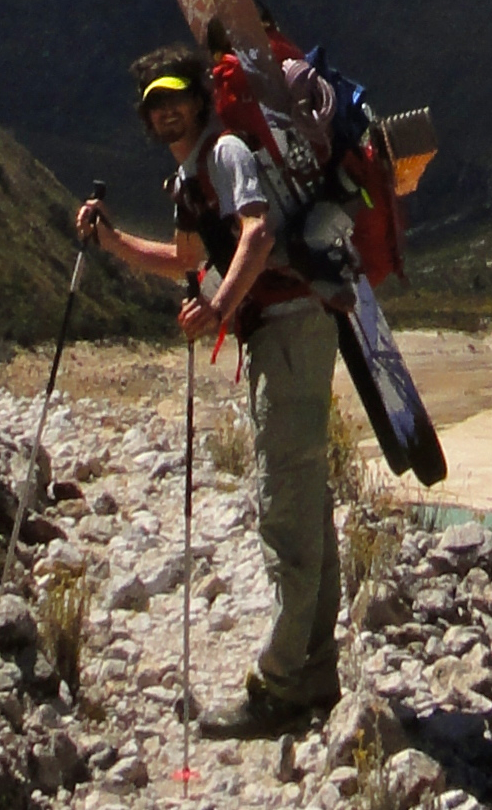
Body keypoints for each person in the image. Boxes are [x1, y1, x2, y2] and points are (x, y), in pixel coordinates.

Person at [78, 45, 342, 738]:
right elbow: (185, 262)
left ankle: (279, 685)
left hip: (286, 328)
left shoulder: (223, 155)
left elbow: (253, 237)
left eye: (173, 98)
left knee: (285, 506)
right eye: (152, 105)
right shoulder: (189, 180)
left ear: (198, 100)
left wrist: (218, 309)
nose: (164, 111)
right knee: (304, 500)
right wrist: (111, 243)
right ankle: (313, 671)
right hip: (285, 331)